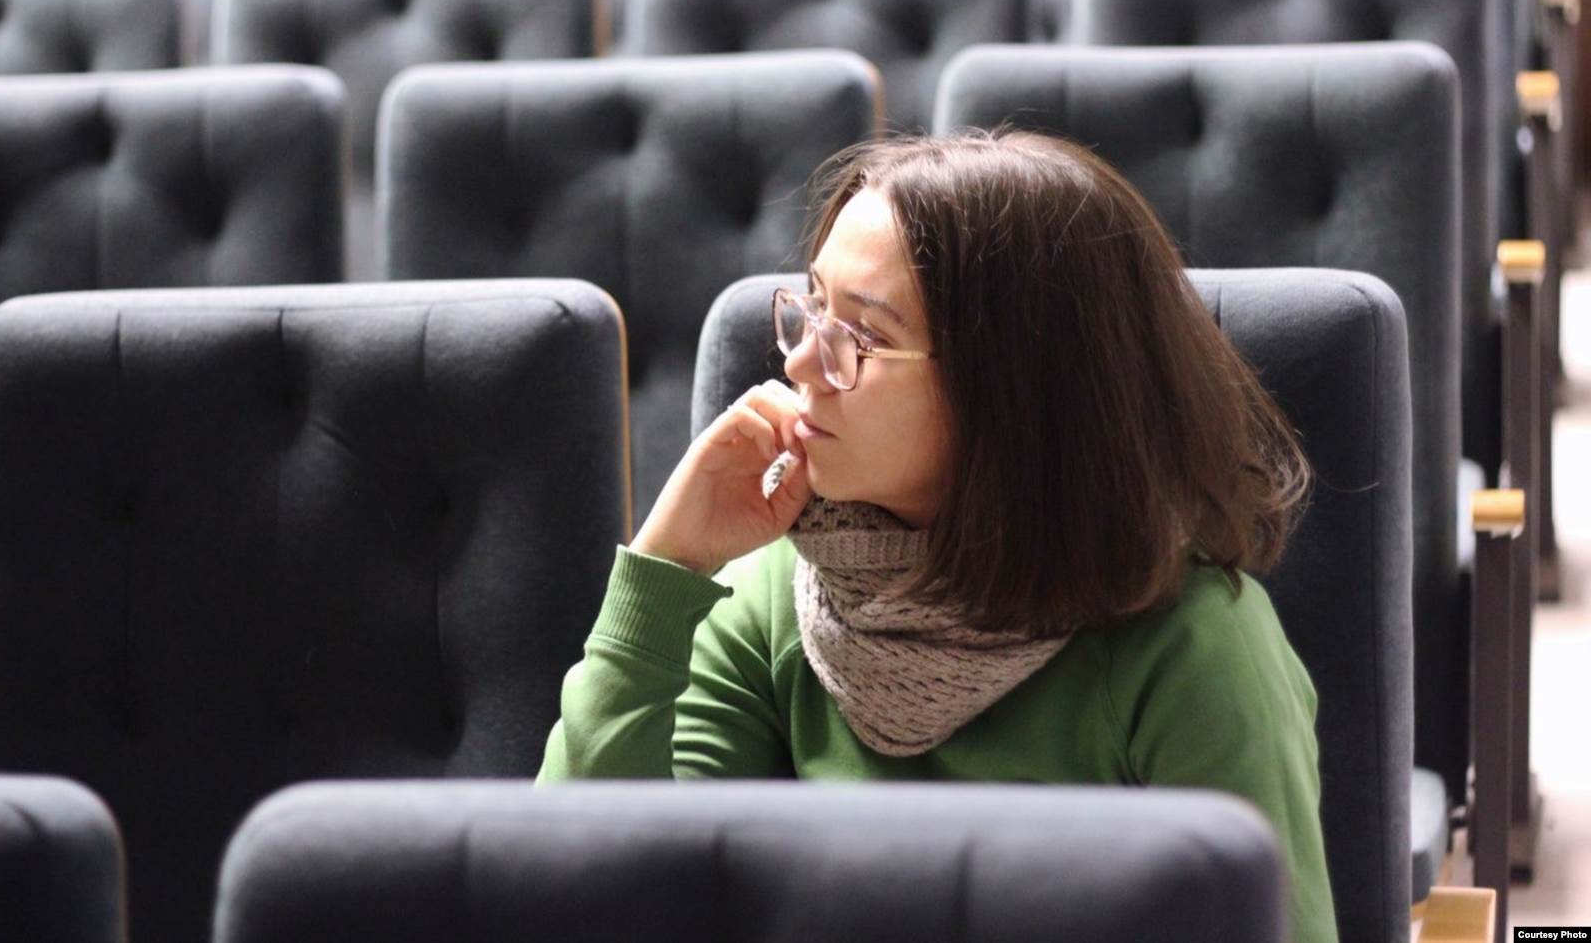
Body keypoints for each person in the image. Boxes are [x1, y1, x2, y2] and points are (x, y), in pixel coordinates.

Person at [538, 130, 1337, 943]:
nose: (802, 365)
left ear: (1013, 389)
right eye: (813, 308)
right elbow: (587, 898)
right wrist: (665, 566)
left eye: (863, 338)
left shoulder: (1193, 647)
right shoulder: (777, 594)